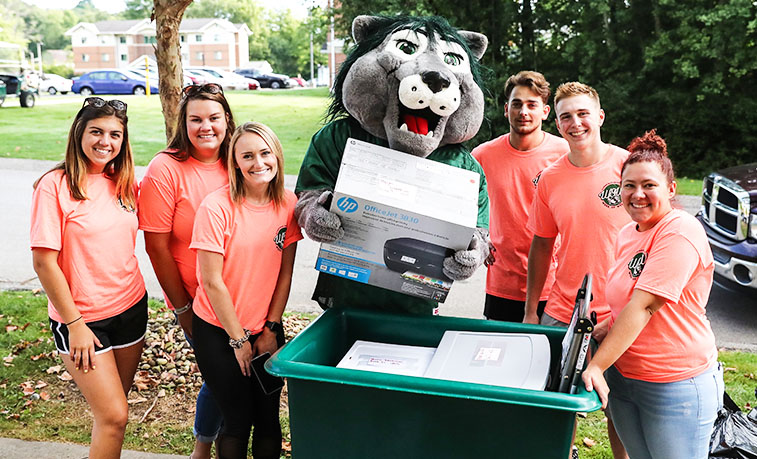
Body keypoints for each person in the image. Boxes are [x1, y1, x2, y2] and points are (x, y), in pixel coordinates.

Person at [582, 130, 723, 459]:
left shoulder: (680, 230)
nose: (637, 194)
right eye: (628, 185)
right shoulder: (626, 234)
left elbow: (645, 306)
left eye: (649, 185)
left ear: (671, 189)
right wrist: (606, 326)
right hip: (626, 377)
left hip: (676, 385)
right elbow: (625, 303)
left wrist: (596, 367)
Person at [30, 97, 146, 459]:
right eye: (96, 131)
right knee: (113, 416)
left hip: (131, 307)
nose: (105, 141)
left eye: (115, 134)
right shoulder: (54, 185)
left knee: (114, 413)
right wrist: (75, 323)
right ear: (79, 132)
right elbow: (44, 263)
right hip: (82, 320)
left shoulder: (124, 183)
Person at [523, 81, 630, 459]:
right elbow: (541, 244)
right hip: (565, 310)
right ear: (557, 123)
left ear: (600, 116)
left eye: (583, 113)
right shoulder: (550, 178)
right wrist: (531, 310)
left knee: (620, 406)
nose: (575, 122)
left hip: (621, 311)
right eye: (566, 116)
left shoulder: (626, 166)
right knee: (557, 402)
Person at [190, 122, 302, 459]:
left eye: (265, 153)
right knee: (237, 420)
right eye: (248, 156)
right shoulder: (216, 207)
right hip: (219, 331)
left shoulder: (287, 203)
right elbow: (212, 281)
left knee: (268, 418)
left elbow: (285, 272)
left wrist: (271, 328)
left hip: (265, 327)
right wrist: (239, 340)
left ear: (277, 156)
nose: (258, 163)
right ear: (235, 162)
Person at [138, 83, 235, 459]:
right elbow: (156, 246)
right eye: (195, 119)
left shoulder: (237, 158)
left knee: (236, 379)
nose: (205, 126)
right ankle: (202, 449)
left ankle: (224, 443)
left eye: (213, 117)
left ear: (227, 119)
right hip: (197, 300)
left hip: (244, 295)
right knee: (219, 377)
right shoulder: (167, 168)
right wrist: (182, 308)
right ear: (184, 122)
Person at [472, 70, 568, 322]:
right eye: (517, 104)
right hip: (502, 281)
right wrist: (477, 237)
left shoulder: (564, 153)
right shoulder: (482, 156)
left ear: (545, 112)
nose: (523, 111)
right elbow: (463, 204)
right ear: (506, 109)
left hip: (554, 283)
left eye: (531, 105)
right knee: (498, 355)